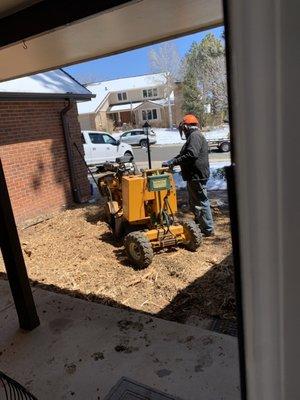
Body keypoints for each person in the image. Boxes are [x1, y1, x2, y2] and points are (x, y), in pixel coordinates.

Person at [163, 114, 214, 236]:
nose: (183, 131)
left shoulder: (195, 136)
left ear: (186, 127)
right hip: (194, 176)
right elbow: (185, 154)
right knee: (195, 202)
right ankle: (201, 223)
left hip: (197, 175)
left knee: (201, 202)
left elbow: (191, 154)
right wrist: (172, 161)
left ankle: (207, 229)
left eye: (183, 128)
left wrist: (173, 162)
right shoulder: (194, 136)